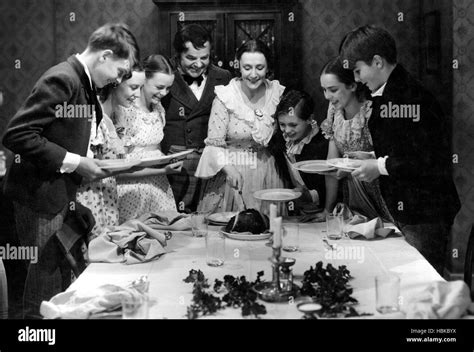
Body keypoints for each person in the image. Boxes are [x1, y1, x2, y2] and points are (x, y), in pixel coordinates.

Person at [2, 23, 139, 318]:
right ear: (104, 55)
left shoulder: (84, 82)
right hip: (38, 198)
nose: (118, 80)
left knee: (58, 280)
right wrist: (77, 162)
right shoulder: (63, 78)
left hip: (59, 195)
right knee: (44, 283)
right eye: (118, 71)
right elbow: (17, 134)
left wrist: (91, 161)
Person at [340, 25, 460, 275]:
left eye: (358, 70)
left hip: (424, 212)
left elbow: (426, 159)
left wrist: (379, 167)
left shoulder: (411, 96)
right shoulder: (391, 91)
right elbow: (404, 146)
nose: (358, 79)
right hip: (408, 208)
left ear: (377, 61)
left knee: (419, 281)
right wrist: (372, 157)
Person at [195, 39, 286, 214]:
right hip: (233, 174)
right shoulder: (225, 96)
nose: (253, 74)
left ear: (267, 67)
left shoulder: (276, 93)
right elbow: (214, 145)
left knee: (268, 231)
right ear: (239, 66)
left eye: (259, 68)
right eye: (247, 68)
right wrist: (230, 170)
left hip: (269, 174)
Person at [161, 24, 232, 212]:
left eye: (204, 58)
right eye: (191, 58)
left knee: (210, 219)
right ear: (178, 55)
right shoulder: (164, 77)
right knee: (176, 221)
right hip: (176, 163)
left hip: (211, 163)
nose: (198, 64)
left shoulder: (224, 77)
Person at [316, 56, 393, 222]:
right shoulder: (334, 111)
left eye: (333, 89)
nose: (327, 96)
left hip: (383, 194)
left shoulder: (372, 109)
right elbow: (332, 166)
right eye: (324, 89)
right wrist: (327, 211)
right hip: (354, 196)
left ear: (352, 85)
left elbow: (391, 158)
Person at [76, 64, 146, 240]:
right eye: (133, 87)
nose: (138, 95)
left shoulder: (117, 115)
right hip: (90, 200)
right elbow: (81, 168)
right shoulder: (92, 117)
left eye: (141, 88)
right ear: (116, 83)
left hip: (109, 199)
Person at [116, 55, 181, 223]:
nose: (164, 93)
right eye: (159, 87)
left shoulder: (159, 109)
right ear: (143, 80)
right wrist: (162, 170)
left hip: (159, 187)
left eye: (168, 88)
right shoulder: (126, 111)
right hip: (132, 190)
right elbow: (117, 165)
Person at [270, 89, 328, 213]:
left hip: (323, 212)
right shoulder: (280, 140)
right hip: (296, 212)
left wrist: (309, 196)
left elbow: (332, 187)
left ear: (309, 119)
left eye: (293, 125)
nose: (287, 130)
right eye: (282, 124)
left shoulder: (323, 145)